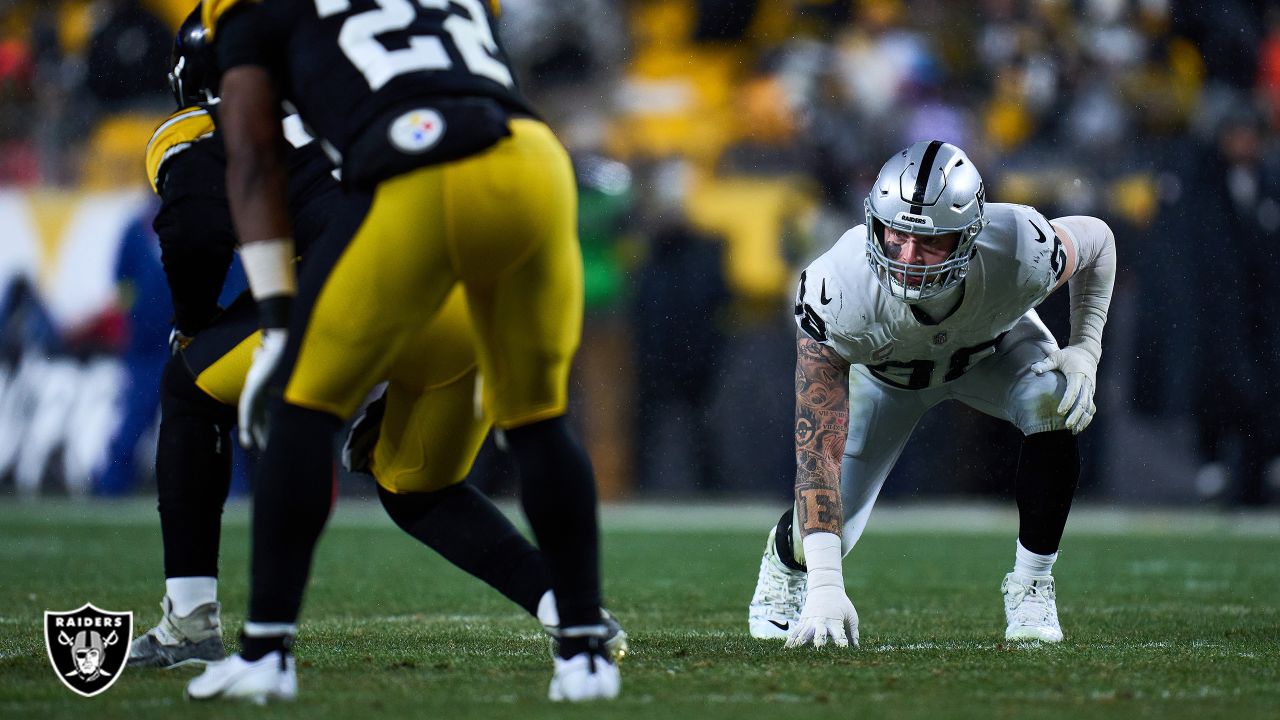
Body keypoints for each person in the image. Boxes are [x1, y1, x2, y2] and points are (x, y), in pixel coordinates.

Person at [130, 7, 623, 674]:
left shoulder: (208, 119)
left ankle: (194, 622)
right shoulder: (359, 86)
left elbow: (196, 229)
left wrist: (193, 321)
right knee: (418, 482)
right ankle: (569, 607)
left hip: (382, 275)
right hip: (489, 267)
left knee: (188, 386)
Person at [748, 140, 1116, 648]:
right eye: (895, 235)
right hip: (888, 381)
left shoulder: (1017, 243)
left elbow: (1098, 240)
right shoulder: (840, 285)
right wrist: (825, 583)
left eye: (931, 242)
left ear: (969, 233)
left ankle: (1032, 583)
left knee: (1054, 397)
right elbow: (818, 448)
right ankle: (783, 561)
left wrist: (1086, 349)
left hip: (992, 353)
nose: (908, 258)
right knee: (834, 535)